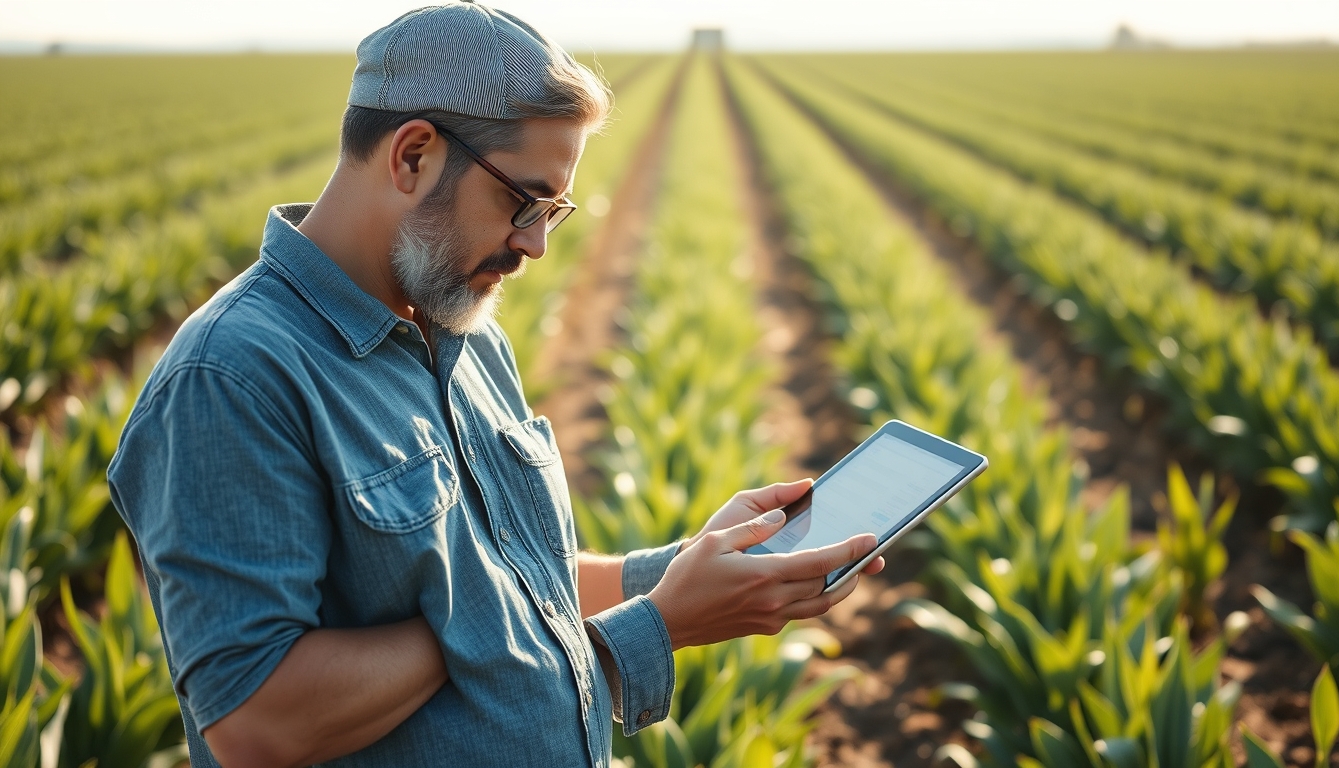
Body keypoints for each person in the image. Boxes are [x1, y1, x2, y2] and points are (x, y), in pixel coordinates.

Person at [107, 3, 882, 766]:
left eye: (555, 210)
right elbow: (256, 720)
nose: (536, 244)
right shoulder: (234, 377)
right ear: (413, 155)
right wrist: (653, 622)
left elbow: (517, 570)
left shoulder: (464, 331)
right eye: (523, 201)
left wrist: (698, 562)